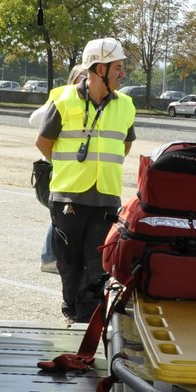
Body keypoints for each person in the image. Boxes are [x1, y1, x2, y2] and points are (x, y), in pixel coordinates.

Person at [35, 38, 136, 323]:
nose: (122, 73)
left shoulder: (126, 105)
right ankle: (71, 310)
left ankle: (87, 318)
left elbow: (125, 145)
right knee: (69, 263)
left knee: (98, 263)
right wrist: (69, 168)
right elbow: (44, 143)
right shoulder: (63, 100)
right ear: (99, 68)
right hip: (68, 196)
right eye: (117, 67)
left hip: (105, 195)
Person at [31, 65, 87, 275]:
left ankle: (54, 257)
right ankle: (48, 257)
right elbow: (34, 120)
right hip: (58, 168)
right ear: (72, 80)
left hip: (76, 168)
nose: (85, 82)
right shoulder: (63, 98)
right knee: (61, 212)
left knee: (66, 213)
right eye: (81, 78)